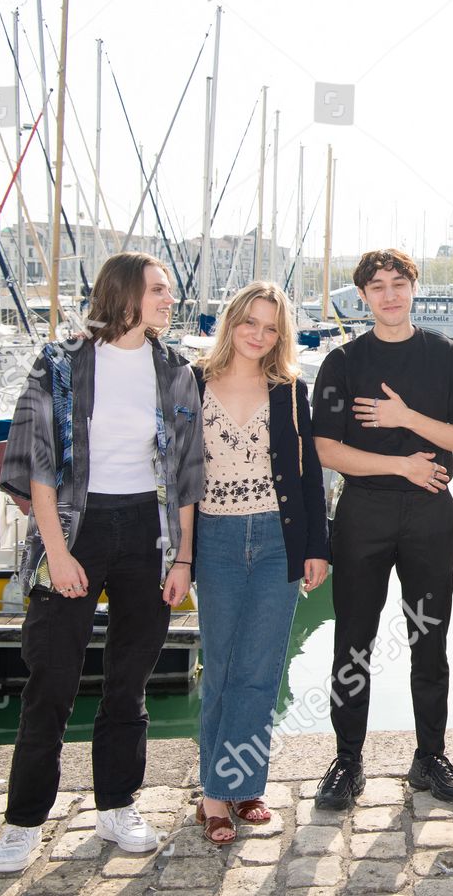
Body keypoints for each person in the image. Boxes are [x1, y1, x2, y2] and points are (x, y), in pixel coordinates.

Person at [0, 253, 204, 873]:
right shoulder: (60, 364)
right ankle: (25, 821)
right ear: (126, 294)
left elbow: (187, 475)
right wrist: (56, 553)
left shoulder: (175, 371)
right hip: (74, 530)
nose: (169, 298)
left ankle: (116, 804)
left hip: (147, 532)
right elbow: (37, 464)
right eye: (159, 289)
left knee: (128, 682)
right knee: (50, 682)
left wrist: (182, 557)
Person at [311, 250, 453, 809]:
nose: (389, 295)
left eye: (398, 284)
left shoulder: (448, 357)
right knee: (352, 642)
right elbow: (326, 449)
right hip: (364, 514)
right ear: (362, 296)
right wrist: (401, 463)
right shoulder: (342, 363)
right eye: (377, 286)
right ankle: (347, 760)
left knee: (428, 641)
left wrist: (407, 419)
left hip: (431, 514)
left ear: (415, 288)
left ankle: (430, 755)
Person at [191, 283, 329, 844]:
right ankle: (213, 794)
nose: (259, 335)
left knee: (261, 668)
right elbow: (173, 467)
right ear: (231, 321)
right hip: (214, 537)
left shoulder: (290, 390)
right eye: (250, 322)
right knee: (221, 667)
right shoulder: (191, 380)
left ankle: (243, 784)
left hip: (278, 537)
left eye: (271, 328)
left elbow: (309, 473)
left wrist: (316, 546)